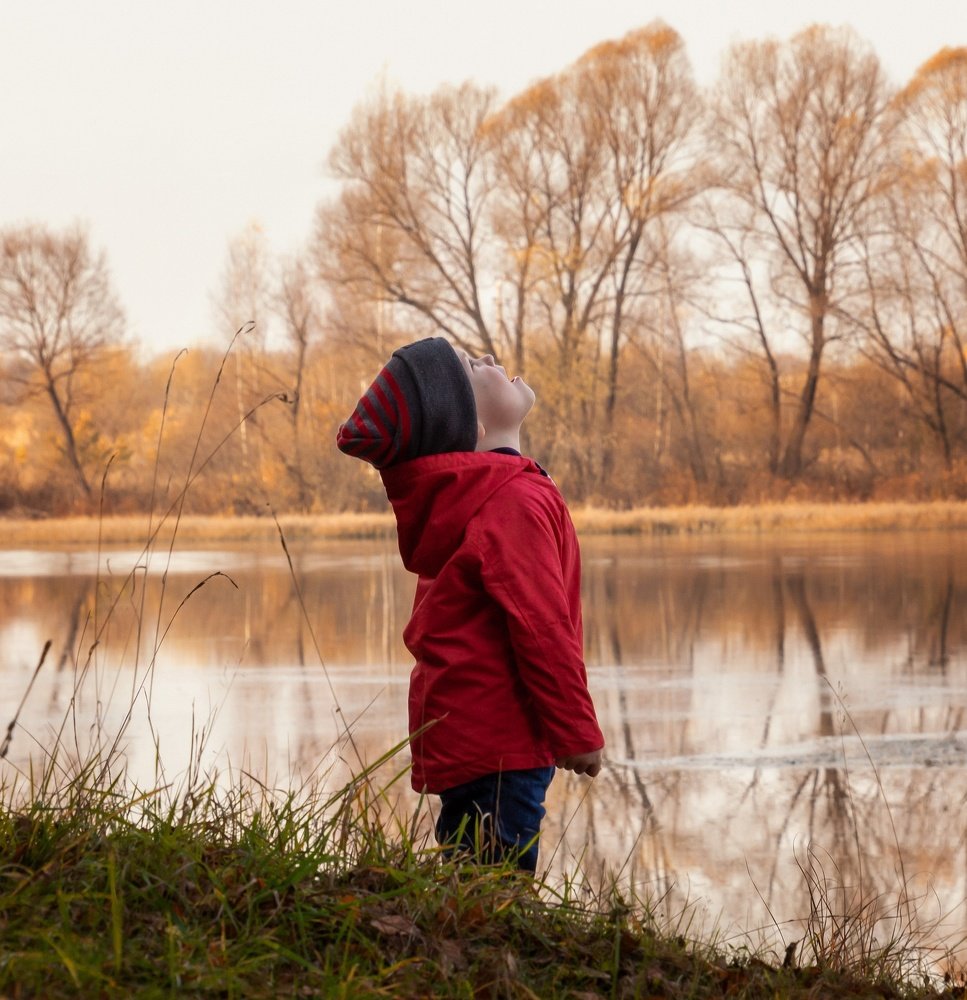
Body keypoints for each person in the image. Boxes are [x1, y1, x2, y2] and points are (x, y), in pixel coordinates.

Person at [336, 336, 604, 872]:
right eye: (469, 367)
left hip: (476, 736)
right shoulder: (508, 501)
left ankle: (468, 940)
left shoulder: (486, 496)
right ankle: (483, 949)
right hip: (500, 739)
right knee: (496, 883)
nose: (485, 359)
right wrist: (576, 730)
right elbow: (540, 626)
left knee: (476, 872)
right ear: (474, 430)